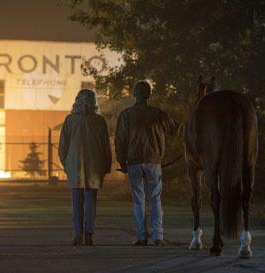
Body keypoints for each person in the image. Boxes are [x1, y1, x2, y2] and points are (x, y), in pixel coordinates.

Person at [115, 80, 178, 246]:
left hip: (133, 161)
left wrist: (122, 161)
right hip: (153, 161)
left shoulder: (126, 115)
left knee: (138, 200)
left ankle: (142, 237)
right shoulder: (158, 114)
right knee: (156, 199)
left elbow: (120, 140)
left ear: (134, 94)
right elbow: (175, 129)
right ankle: (158, 236)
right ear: (149, 95)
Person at [58, 89, 112, 246]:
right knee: (91, 201)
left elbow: (63, 147)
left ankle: (77, 234)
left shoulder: (70, 120)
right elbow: (105, 146)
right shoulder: (99, 121)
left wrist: (66, 163)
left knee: (76, 201)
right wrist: (106, 166)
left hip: (74, 166)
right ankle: (89, 234)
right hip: (95, 167)